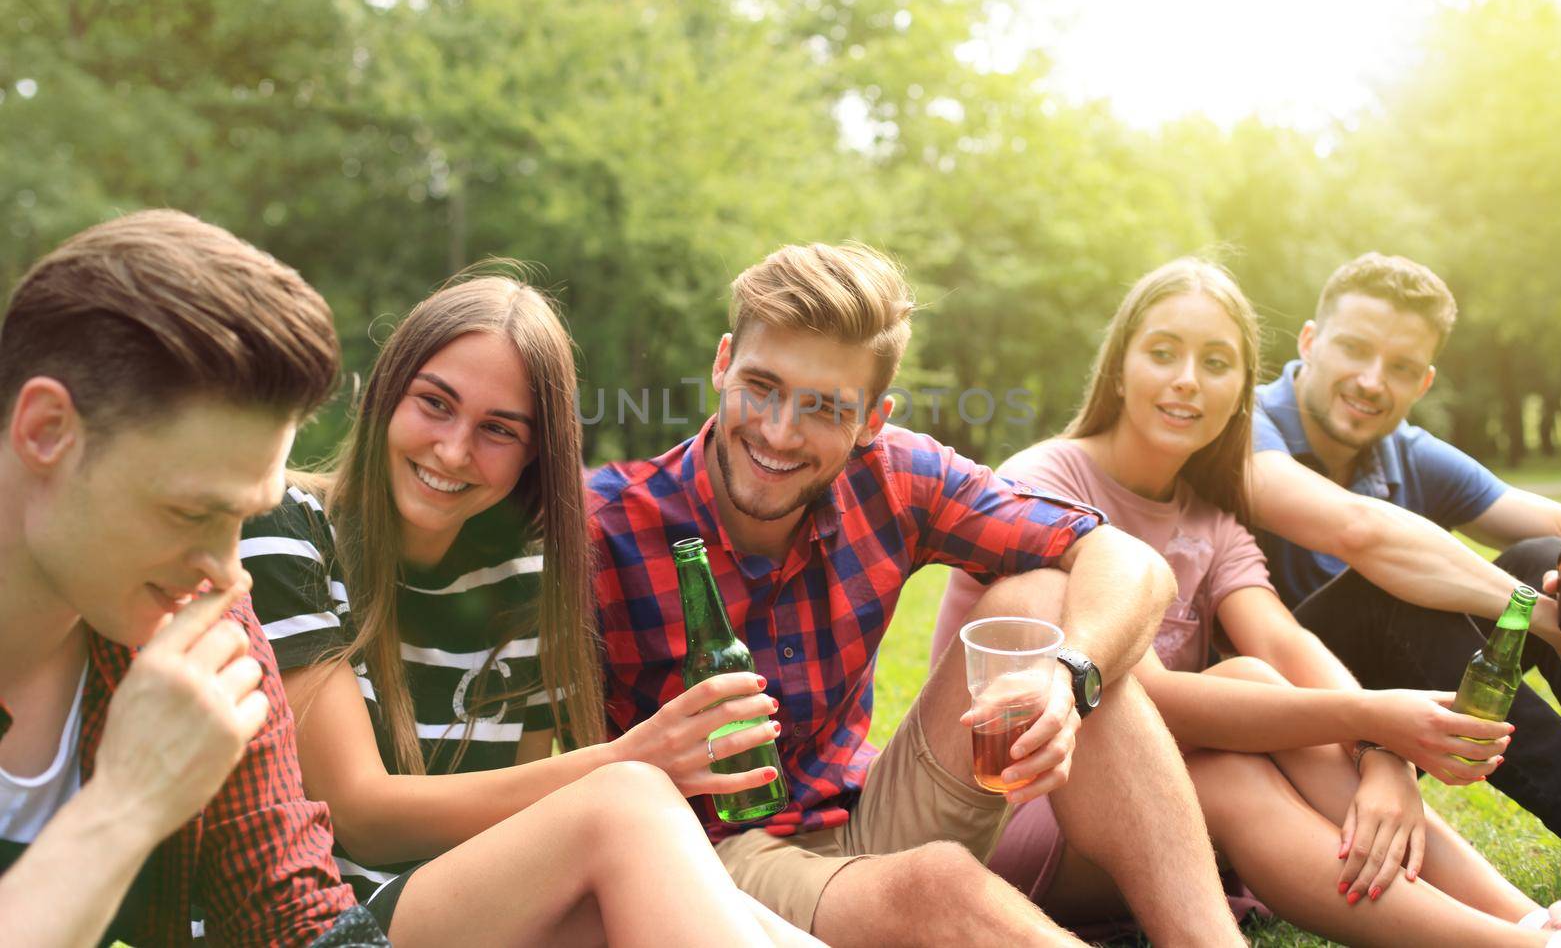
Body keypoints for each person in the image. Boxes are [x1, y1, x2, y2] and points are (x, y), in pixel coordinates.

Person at [589, 242, 1247, 948]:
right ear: (722, 363)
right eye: (761, 386)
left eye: (824, 408)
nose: (779, 431)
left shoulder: (896, 473)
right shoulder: (607, 524)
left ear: (873, 418)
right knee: (937, 888)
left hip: (861, 814)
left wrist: (1069, 678)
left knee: (1052, 607)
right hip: (709, 861)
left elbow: (1127, 560)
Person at [935, 258, 1561, 946]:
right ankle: (1530, 944)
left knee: (1253, 681)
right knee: (1226, 756)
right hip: (1014, 802)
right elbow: (1135, 704)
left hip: (1150, 812)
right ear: (1119, 364)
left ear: (1240, 392)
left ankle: (1533, 919)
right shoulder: (1042, 487)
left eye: (1216, 362)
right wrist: (1375, 717)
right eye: (1163, 353)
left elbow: (1284, 642)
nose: (1188, 378)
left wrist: (1379, 755)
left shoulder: (1211, 519)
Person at [244, 271, 821, 947]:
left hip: (471, 911)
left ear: (533, 455)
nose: (454, 450)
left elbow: (521, 824)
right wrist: (628, 759)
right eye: (435, 404)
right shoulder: (287, 529)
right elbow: (358, 810)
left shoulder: (529, 582)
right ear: (385, 394)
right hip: (332, 923)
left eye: (497, 430)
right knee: (627, 797)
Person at [0, 210, 379, 946]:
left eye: (245, 520)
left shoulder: (200, 626)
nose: (229, 575)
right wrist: (126, 804)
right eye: (190, 512)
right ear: (46, 430)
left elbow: (296, 921)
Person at [1245, 252, 1561, 861]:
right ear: (1310, 340)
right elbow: (1362, 532)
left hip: (1386, 720)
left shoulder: (1404, 450)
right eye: (1354, 348)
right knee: (1388, 593)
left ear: (1424, 382)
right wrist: (1546, 624)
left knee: (1553, 561)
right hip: (1261, 719)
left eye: (1401, 367)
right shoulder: (1241, 421)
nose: (1372, 381)